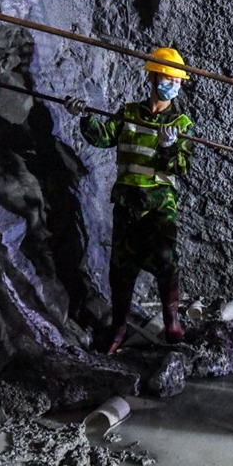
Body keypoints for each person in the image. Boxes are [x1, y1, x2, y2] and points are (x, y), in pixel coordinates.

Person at [65, 47, 194, 353]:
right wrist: (84, 116)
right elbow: (102, 138)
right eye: (169, 78)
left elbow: (180, 168)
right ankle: (119, 327)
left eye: (178, 81)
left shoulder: (181, 124)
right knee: (121, 268)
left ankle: (172, 323)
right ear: (153, 77)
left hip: (160, 205)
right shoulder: (128, 113)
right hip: (127, 201)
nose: (174, 85)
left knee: (166, 261)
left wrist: (168, 147)